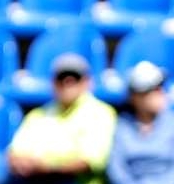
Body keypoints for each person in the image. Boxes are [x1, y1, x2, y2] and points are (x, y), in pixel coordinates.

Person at [6, 53, 117, 184]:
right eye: (61, 78)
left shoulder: (101, 113)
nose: (67, 83)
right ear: (53, 82)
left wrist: (45, 166)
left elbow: (89, 162)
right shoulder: (38, 114)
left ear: (87, 82)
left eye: (74, 78)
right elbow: (14, 155)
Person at [107, 61, 174, 184]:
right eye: (150, 89)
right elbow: (116, 169)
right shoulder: (121, 125)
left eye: (160, 87)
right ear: (133, 97)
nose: (159, 92)